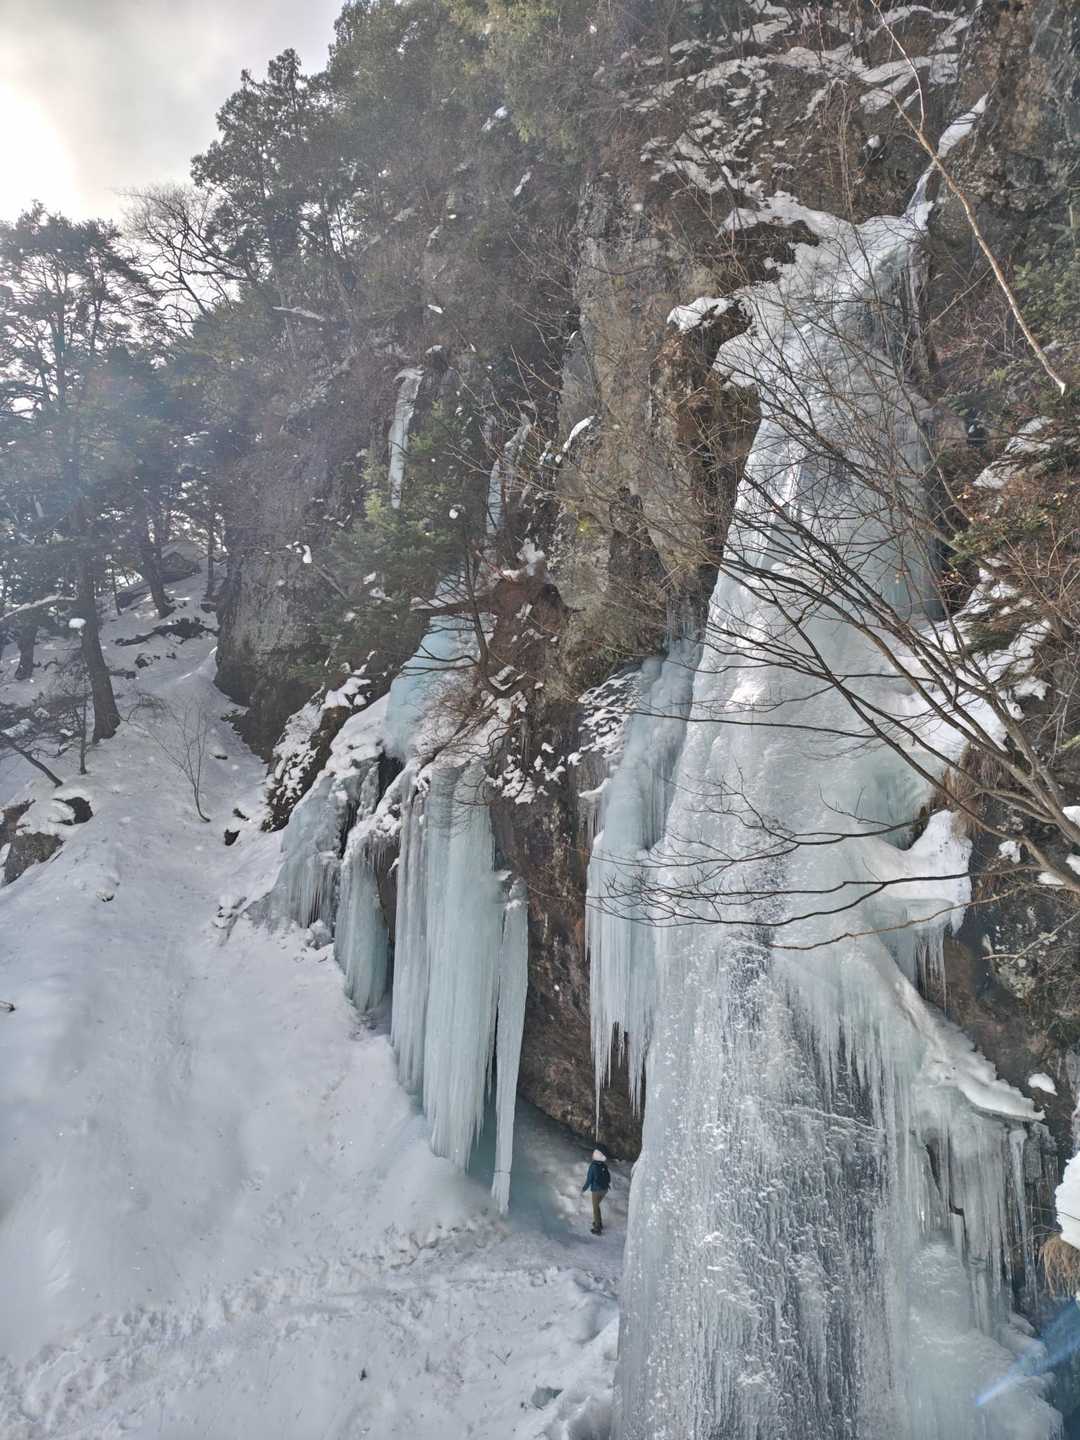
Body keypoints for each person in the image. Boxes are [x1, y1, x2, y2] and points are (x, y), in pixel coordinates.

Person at [582, 1149, 611, 1234]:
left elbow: (589, 1179)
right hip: (605, 1190)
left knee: (595, 1208)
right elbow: (608, 1177)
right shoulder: (603, 1165)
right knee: (597, 1206)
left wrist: (584, 1188)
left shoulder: (593, 1166)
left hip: (596, 1191)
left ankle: (597, 1228)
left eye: (593, 1154)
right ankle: (599, 1223)